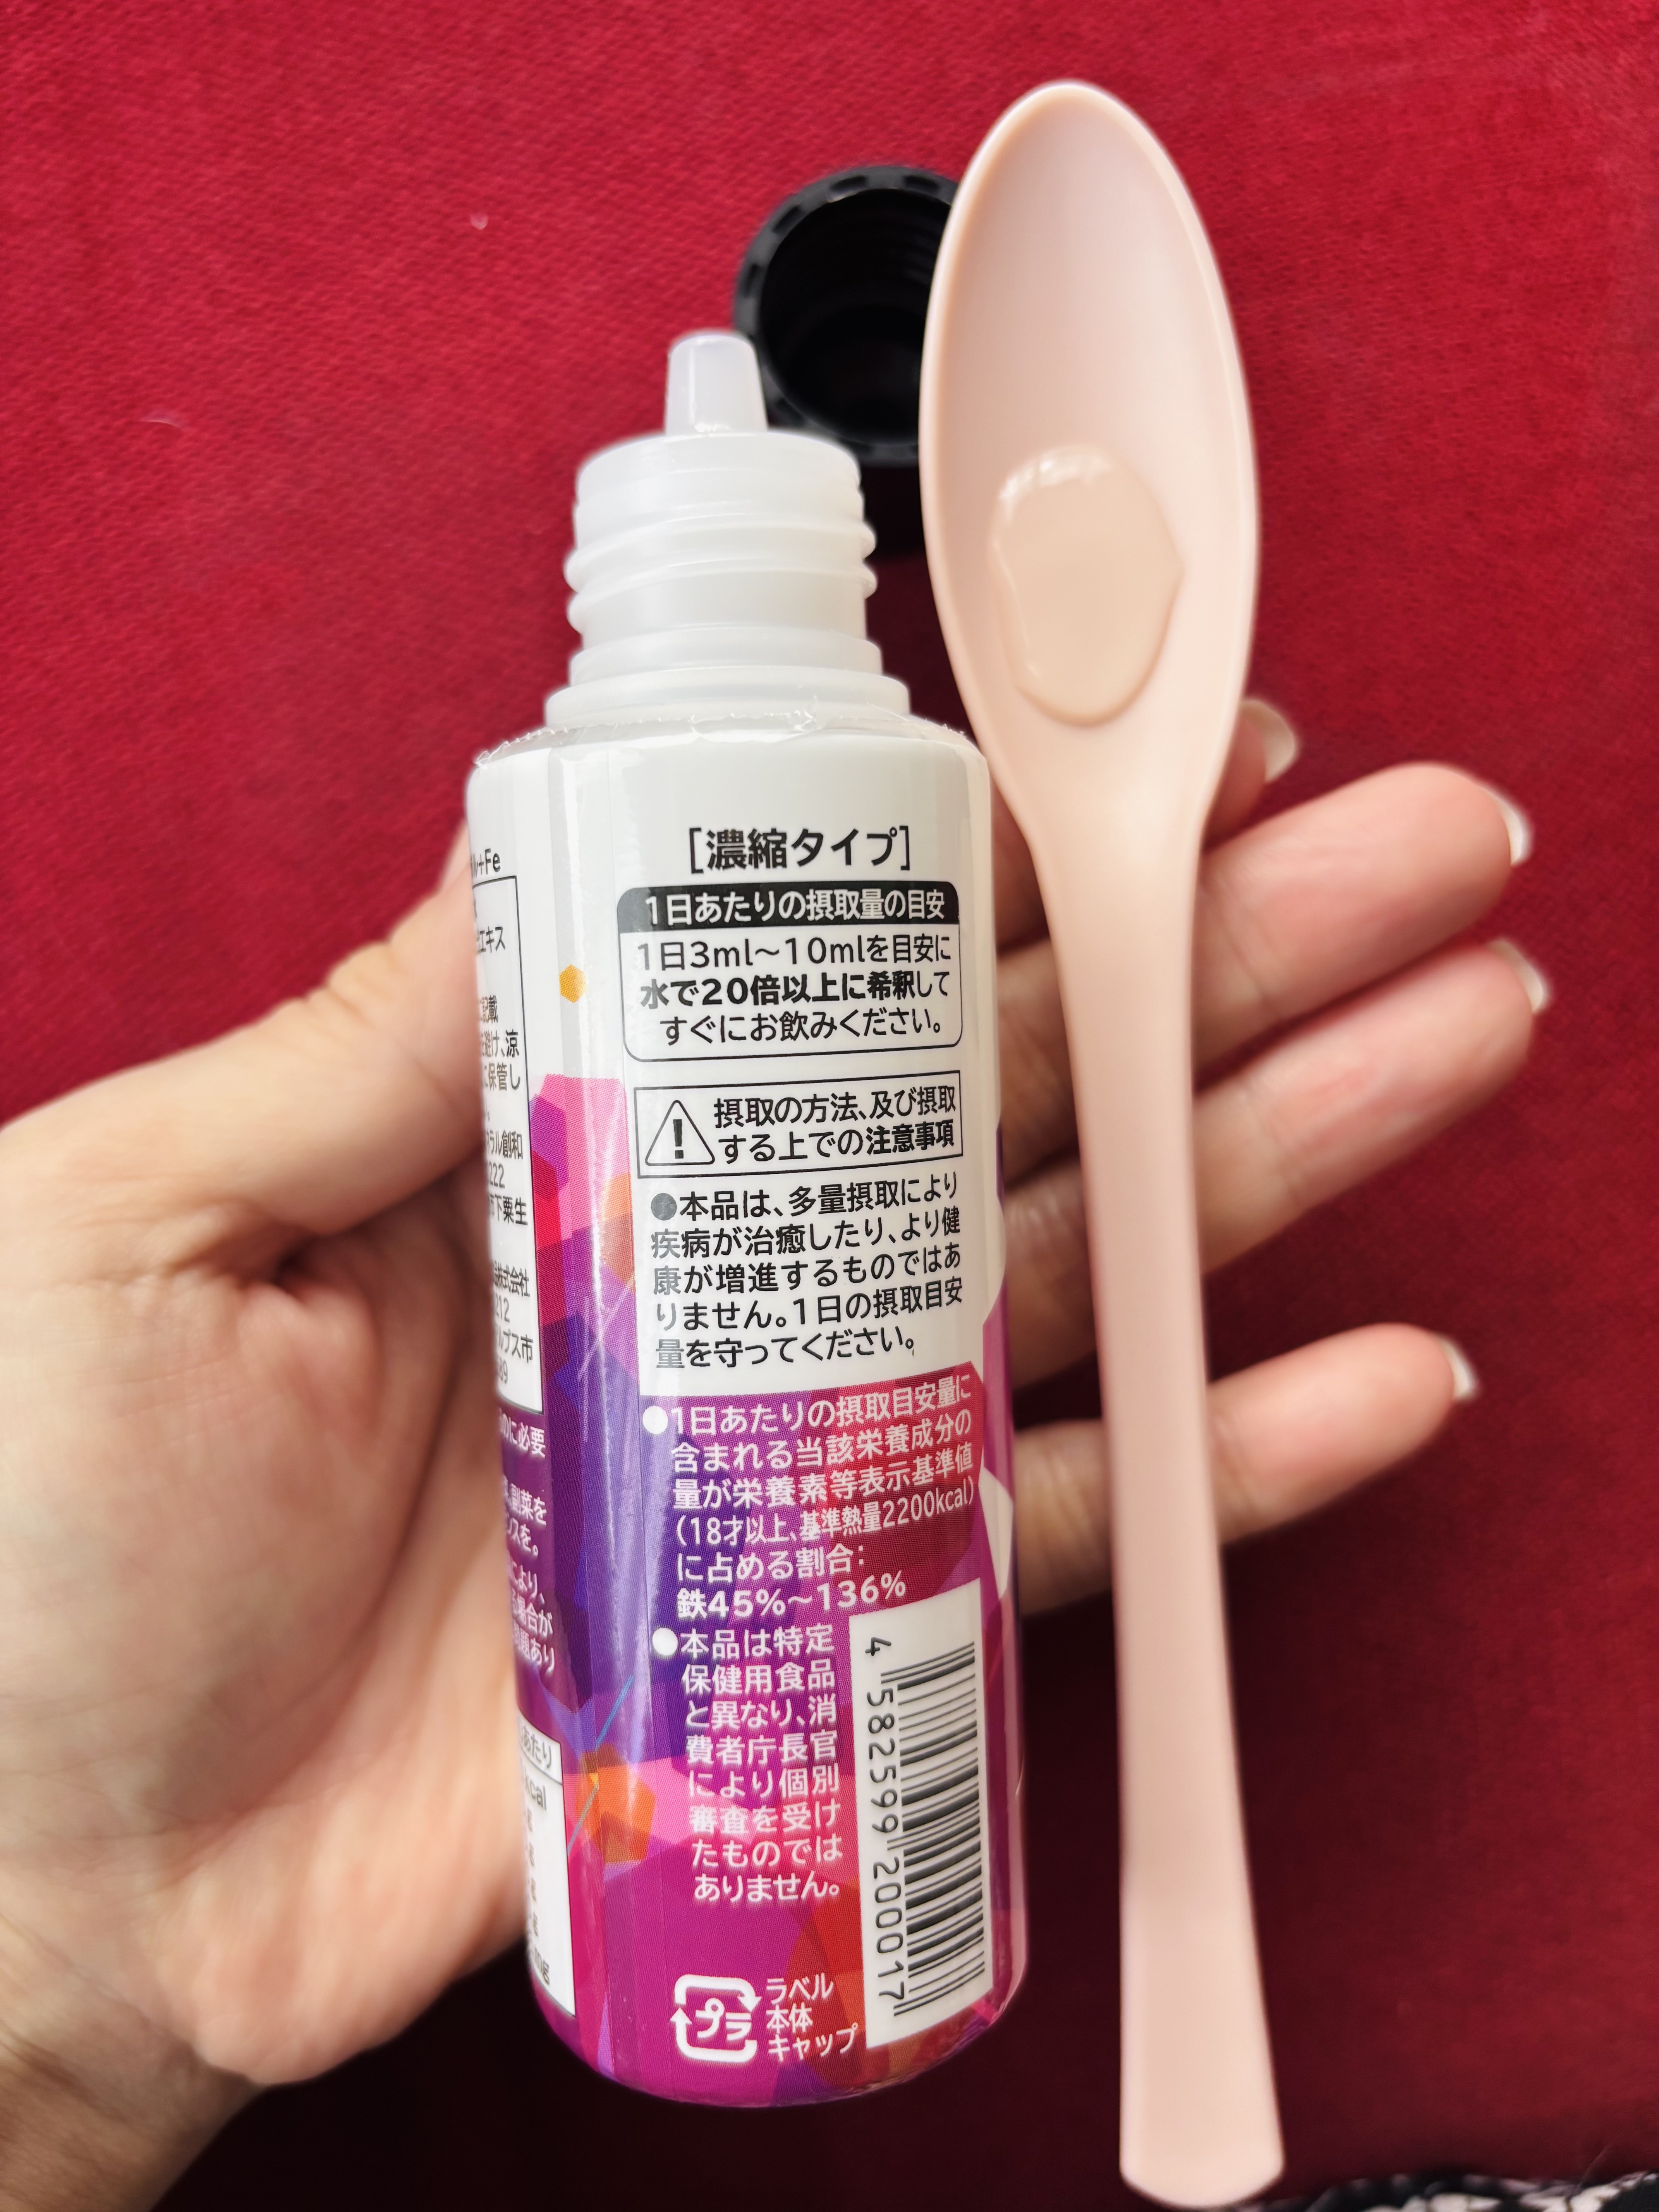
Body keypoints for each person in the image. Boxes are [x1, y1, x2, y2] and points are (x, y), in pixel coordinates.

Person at [0, 709, 1540, 2209]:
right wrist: (58, 1994)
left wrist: (59, 2024)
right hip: (593, 1536)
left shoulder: (855, 785)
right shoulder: (568, 803)